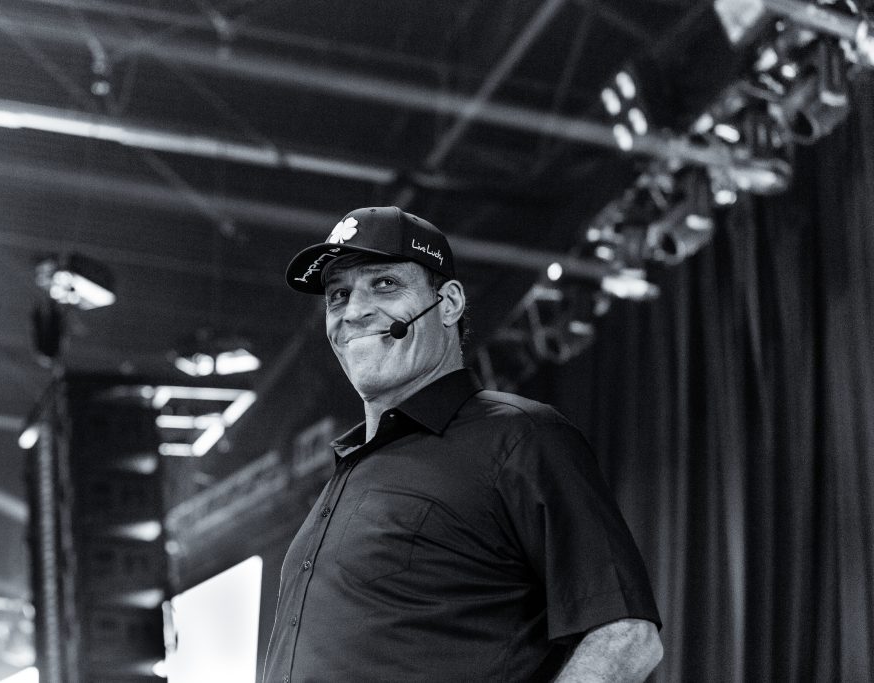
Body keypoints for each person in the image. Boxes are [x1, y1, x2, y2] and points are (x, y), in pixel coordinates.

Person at [264, 206, 662, 682]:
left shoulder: (519, 437)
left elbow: (626, 636)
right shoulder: (348, 471)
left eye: (384, 284)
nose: (353, 311)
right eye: (338, 295)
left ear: (449, 303)